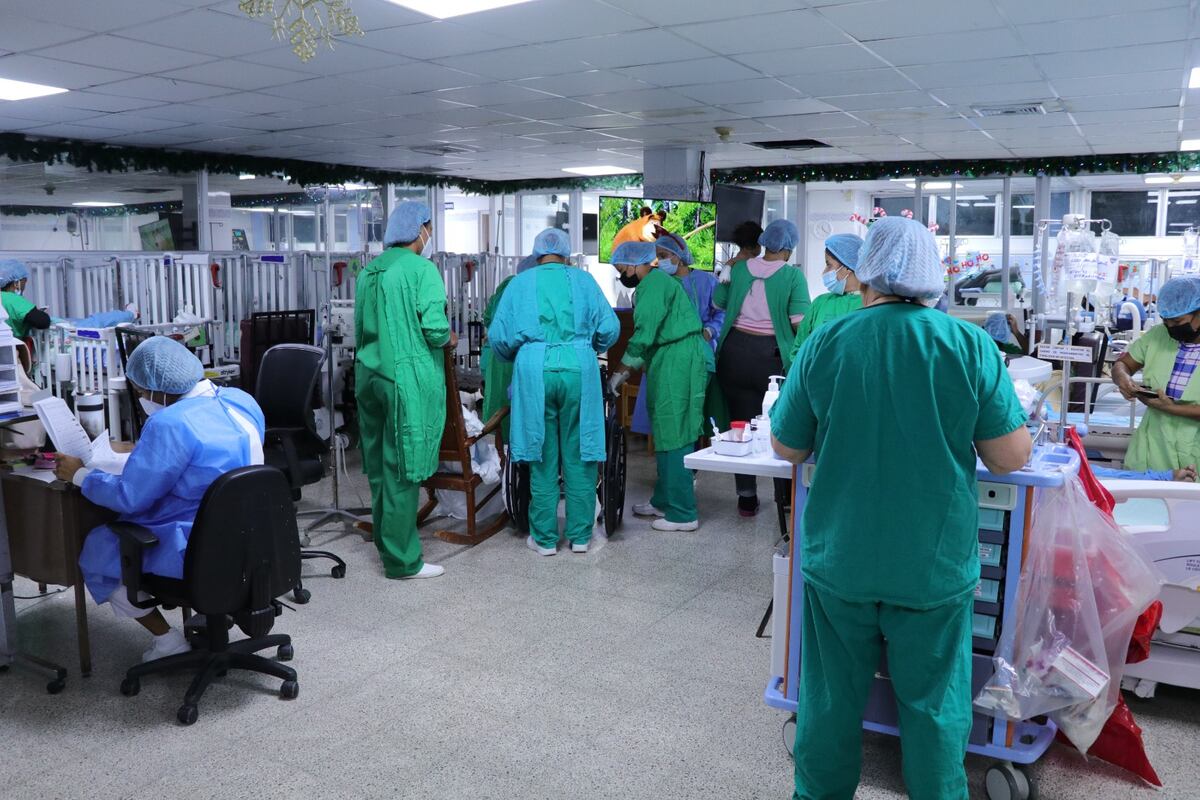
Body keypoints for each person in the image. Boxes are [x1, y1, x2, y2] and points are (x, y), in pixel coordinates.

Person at [771, 216, 1031, 800]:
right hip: (930, 565)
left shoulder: (827, 342)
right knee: (935, 707)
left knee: (830, 701)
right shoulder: (967, 345)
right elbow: (1010, 457)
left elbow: (787, 446)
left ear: (863, 274)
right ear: (932, 276)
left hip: (842, 559)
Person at [53, 337, 266, 662]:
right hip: (256, 537)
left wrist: (80, 475)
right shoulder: (241, 400)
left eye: (140, 391)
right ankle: (214, 610)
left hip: (197, 546)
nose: (141, 397)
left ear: (159, 390)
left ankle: (167, 641)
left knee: (98, 550)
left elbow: (129, 496)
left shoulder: (169, 424)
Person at [488, 229, 619, 556]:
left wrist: (520, 353)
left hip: (534, 371)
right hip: (579, 368)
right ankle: (580, 537)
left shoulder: (519, 284)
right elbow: (610, 329)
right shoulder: (584, 281)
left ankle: (545, 539)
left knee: (541, 453)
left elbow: (499, 337)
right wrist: (588, 345)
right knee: (581, 452)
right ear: (566, 253)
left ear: (536, 254)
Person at [355, 201, 452, 580]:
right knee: (402, 467)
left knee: (380, 466)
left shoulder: (369, 271)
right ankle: (403, 561)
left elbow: (361, 328)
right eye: (429, 228)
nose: (429, 235)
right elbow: (435, 329)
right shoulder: (421, 269)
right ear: (420, 230)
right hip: (403, 379)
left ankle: (387, 543)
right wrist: (449, 336)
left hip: (369, 375)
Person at [609, 241, 710, 532]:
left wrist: (619, 373)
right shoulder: (657, 283)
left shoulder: (653, 285)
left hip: (678, 360)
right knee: (665, 430)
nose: (622, 275)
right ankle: (664, 500)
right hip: (669, 358)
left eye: (622, 269)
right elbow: (651, 338)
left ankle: (683, 513)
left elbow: (644, 335)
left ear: (635, 264)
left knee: (676, 433)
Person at [713, 218, 811, 516]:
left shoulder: (739, 268)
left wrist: (730, 269)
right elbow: (799, 323)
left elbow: (718, 302)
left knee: (740, 426)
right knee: (780, 423)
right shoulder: (793, 277)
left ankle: (746, 497)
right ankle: (785, 498)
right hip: (771, 357)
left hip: (734, 354)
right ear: (789, 248)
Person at [629, 233, 724, 437]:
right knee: (664, 414)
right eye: (658, 257)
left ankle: (688, 444)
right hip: (662, 354)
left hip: (698, 352)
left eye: (664, 255)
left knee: (690, 413)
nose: (660, 261)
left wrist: (710, 330)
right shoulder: (658, 282)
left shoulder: (706, 281)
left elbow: (721, 312)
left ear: (679, 256)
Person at [1113, 275, 1200, 472]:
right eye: (1166, 321)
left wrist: (1171, 408)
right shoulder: (1158, 335)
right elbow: (1123, 364)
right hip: (1153, 447)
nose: (1170, 328)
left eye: (1177, 321)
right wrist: (1123, 378)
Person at [481, 254, 538, 444]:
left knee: (497, 411)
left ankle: (498, 453)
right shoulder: (531, 290)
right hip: (518, 356)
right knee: (518, 414)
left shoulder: (507, 285)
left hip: (496, 355)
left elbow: (488, 318)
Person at [787, 233, 864, 365]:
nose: (824, 272)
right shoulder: (820, 303)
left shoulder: (871, 305)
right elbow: (798, 349)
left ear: (847, 268)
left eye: (828, 265)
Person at [0, 259, 51, 339]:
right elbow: (42, 321)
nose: (24, 286)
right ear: (16, 283)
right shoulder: (13, 300)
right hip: (13, 344)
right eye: (24, 281)